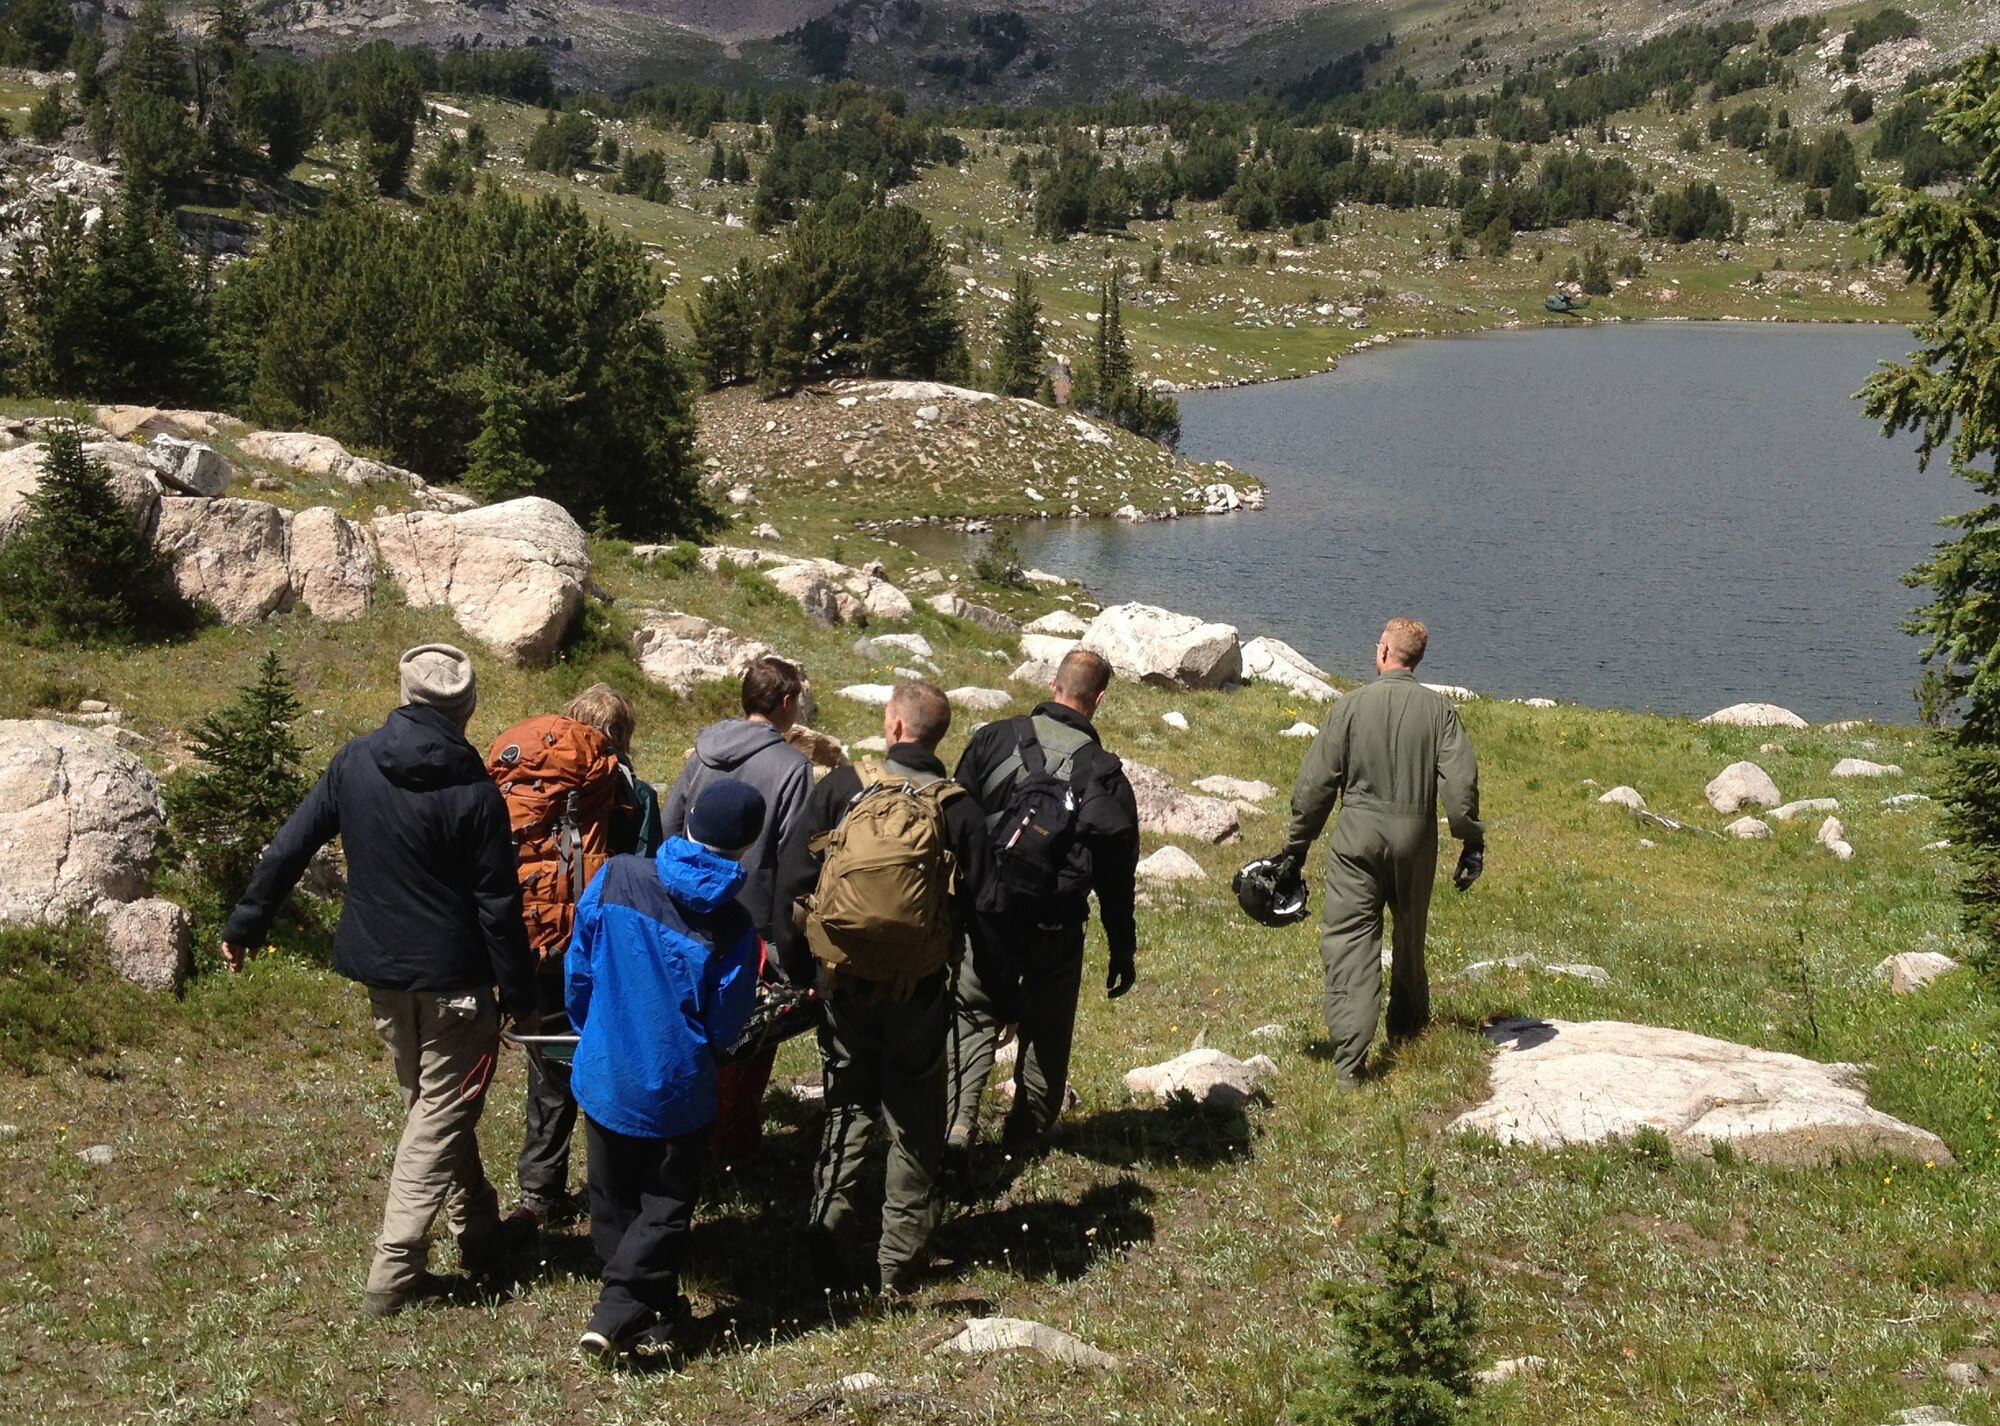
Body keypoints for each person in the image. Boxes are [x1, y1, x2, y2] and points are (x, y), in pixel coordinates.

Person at [219, 644, 539, 1318]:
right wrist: (525, 997)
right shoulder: (477, 791)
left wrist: (246, 922)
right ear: (469, 706)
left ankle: (478, 1228)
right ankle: (394, 1271)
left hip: (381, 973)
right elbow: (499, 908)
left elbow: (289, 845)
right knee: (438, 1113)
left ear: (404, 691)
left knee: (432, 1105)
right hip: (458, 981)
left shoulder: (354, 762)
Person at [771, 680, 1004, 1295]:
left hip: (842, 984)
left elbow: (791, 878)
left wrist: (803, 973)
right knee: (914, 1121)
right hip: (919, 991)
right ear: (936, 735)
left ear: (894, 726)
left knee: (847, 1106)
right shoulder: (959, 809)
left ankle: (827, 1236)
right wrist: (995, 993)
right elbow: (989, 913)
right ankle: (899, 1263)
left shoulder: (844, 788)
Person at [565, 780, 765, 1358]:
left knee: (611, 1196)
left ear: (690, 819)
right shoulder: (732, 928)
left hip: (605, 1070)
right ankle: (619, 1306)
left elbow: (579, 969)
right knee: (665, 1206)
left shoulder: (618, 874)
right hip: (676, 1090)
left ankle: (652, 1310)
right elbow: (727, 1026)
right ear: (746, 846)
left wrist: (595, 1027)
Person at [946, 648, 1140, 1159]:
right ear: (1098, 701)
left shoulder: (993, 738)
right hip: (1057, 925)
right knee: (1048, 1029)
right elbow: (1117, 877)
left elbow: (953, 823)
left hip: (988, 915)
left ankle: (956, 1125)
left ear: (1053, 685)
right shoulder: (1105, 774)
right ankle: (1028, 1132)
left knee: (971, 1013)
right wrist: (1123, 949)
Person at [1274, 618, 1483, 1089]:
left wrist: (1296, 848)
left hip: (1356, 840)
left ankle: (1350, 1063)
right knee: (1410, 939)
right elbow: (1461, 785)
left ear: (1385, 652)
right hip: (1415, 839)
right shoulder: (1440, 711)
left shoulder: (1349, 707)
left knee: (1350, 941)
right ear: (1417, 659)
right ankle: (1408, 1034)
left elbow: (1315, 786)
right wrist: (1470, 839)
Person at [508, 682, 660, 1232]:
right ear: (622, 735)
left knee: (548, 1068)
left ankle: (538, 1193)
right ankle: (614, 1192)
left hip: (540, 942)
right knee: (611, 1063)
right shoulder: (632, 793)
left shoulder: (536, 783)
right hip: (602, 950)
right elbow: (647, 875)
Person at [659, 656, 815, 1161]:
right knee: (748, 1034)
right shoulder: (793, 768)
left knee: (687, 1019)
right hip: (751, 925)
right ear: (787, 702)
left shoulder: (704, 750)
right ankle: (732, 1140)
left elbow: (670, 822)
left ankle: (682, 1125)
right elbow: (795, 858)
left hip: (684, 910)